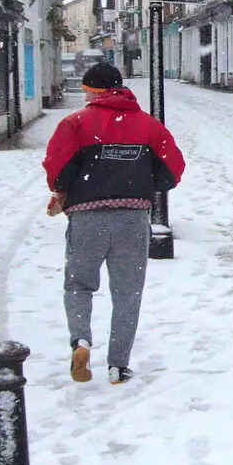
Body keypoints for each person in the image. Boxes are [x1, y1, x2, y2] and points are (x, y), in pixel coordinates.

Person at [43, 63, 185, 385]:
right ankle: (118, 365)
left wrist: (71, 187)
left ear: (93, 91)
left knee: (79, 285)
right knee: (127, 292)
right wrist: (145, 184)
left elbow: (57, 169)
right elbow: (173, 170)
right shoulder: (148, 126)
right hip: (132, 219)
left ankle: (80, 341)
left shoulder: (75, 124)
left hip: (86, 219)